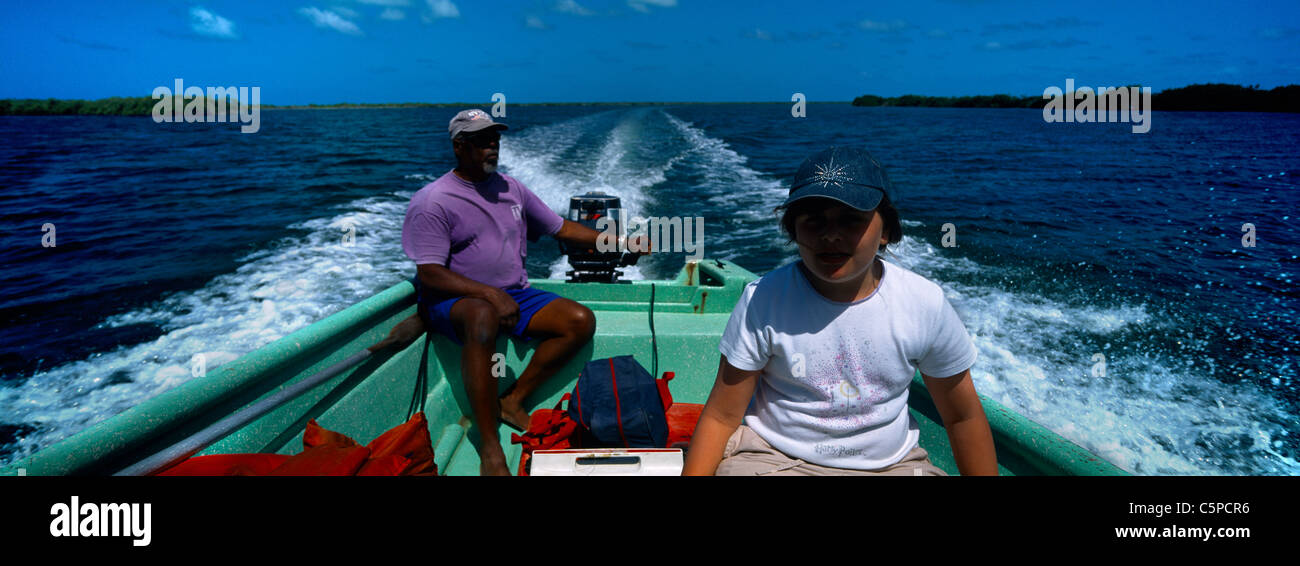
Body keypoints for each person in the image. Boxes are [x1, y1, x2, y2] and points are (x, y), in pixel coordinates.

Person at [682, 146, 998, 476]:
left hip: (891, 466)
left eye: (851, 221)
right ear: (794, 231)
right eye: (813, 221)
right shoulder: (763, 299)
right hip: (775, 457)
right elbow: (722, 415)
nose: (831, 235)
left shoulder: (923, 303)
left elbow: (962, 416)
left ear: (886, 232)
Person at [400, 109, 643, 476]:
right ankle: (490, 445)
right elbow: (430, 274)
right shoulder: (433, 201)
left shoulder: (511, 189)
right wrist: (490, 295)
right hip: (454, 301)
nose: (492, 147)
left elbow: (561, 228)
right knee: (482, 316)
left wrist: (619, 241)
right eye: (482, 141)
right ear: (459, 146)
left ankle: (512, 399)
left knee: (579, 321)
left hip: (515, 293)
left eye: (495, 139)